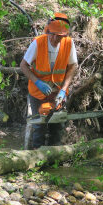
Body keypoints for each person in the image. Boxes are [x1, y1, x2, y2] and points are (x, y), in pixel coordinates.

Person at [20, 12, 77, 149]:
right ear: (47, 31)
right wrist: (37, 82)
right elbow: (23, 65)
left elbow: (73, 66)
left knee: (56, 127)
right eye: (52, 34)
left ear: (64, 35)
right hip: (37, 92)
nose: (54, 38)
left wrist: (64, 90)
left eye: (59, 36)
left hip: (57, 93)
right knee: (39, 126)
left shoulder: (69, 44)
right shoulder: (38, 43)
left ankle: (54, 157)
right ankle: (37, 157)